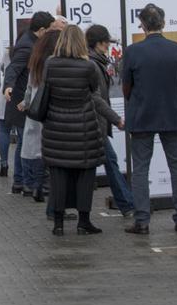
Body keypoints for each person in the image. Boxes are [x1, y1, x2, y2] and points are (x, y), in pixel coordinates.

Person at [121, 4, 177, 235]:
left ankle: (142, 219)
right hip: (172, 113)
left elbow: (127, 89)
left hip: (142, 114)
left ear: (142, 24)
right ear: (163, 23)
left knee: (140, 168)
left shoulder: (132, 52)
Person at [40, 25, 105, 236]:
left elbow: (46, 89)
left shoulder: (50, 64)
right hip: (83, 129)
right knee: (85, 177)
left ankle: (58, 224)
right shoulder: (88, 67)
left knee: (58, 176)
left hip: (56, 129)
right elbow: (94, 90)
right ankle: (83, 222)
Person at [1, 11, 55, 192]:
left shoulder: (30, 40)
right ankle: (25, 181)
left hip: (23, 100)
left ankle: (20, 180)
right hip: (22, 103)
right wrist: (8, 86)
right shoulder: (27, 46)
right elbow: (13, 68)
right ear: (41, 30)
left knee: (24, 142)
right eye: (49, 30)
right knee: (26, 143)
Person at [86, 24, 135, 218]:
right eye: (106, 43)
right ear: (98, 43)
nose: (108, 47)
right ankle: (127, 204)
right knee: (110, 161)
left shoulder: (96, 62)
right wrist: (116, 119)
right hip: (96, 122)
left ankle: (126, 204)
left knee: (100, 163)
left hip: (96, 121)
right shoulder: (94, 64)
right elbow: (97, 98)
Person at [19, 29, 61, 204]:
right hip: (51, 109)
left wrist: (26, 103)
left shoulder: (36, 61)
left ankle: (37, 185)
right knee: (51, 149)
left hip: (36, 110)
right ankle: (45, 187)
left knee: (37, 149)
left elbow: (29, 86)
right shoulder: (55, 63)